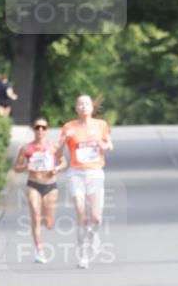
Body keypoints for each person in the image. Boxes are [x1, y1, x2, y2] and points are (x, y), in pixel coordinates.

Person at [56, 95, 113, 269]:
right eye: (80, 104)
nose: (83, 106)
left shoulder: (101, 125)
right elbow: (58, 154)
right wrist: (64, 141)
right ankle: (83, 256)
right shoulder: (69, 127)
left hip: (95, 173)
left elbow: (109, 144)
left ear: (91, 107)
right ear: (76, 107)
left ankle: (93, 234)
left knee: (96, 218)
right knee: (81, 215)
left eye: (86, 103)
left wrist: (105, 146)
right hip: (76, 174)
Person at [14, 118, 66, 263]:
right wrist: (25, 167)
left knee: (49, 223)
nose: (40, 130)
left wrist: (56, 169)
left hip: (50, 185)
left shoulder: (53, 146)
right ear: (33, 129)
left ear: (47, 129)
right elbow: (16, 168)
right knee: (36, 217)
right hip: (33, 184)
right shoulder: (26, 148)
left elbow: (63, 162)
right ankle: (39, 250)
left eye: (43, 127)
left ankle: (46, 219)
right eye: (37, 127)